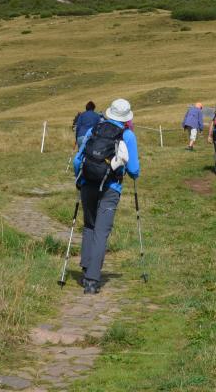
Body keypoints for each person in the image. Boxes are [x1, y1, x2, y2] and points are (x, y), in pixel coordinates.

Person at [72, 98, 140, 295]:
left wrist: (80, 178)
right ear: (126, 117)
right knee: (102, 231)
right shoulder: (128, 135)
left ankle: (86, 267)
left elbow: (79, 160)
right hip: (111, 188)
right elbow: (134, 169)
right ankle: (92, 280)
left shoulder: (94, 130)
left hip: (87, 185)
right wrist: (132, 174)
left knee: (89, 225)